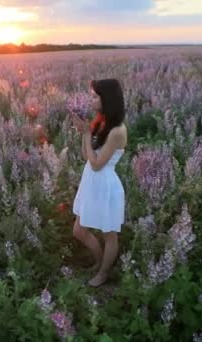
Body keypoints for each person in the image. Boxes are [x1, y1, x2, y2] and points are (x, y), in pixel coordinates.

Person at [70, 78, 127, 287]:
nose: (90, 99)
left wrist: (86, 133)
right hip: (91, 181)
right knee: (79, 230)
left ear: (107, 99)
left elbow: (97, 164)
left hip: (105, 184)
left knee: (109, 234)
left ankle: (104, 273)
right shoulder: (102, 122)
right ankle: (99, 261)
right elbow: (87, 155)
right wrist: (83, 133)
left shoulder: (117, 131)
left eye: (94, 96)